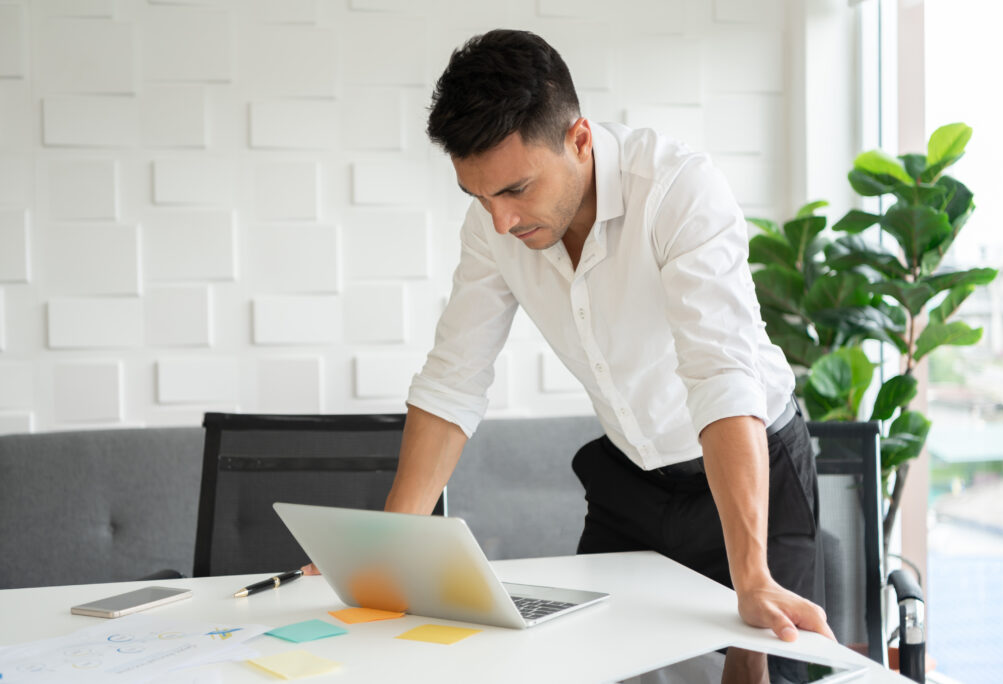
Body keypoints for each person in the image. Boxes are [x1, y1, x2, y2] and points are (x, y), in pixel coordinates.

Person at [322, 28, 834, 644]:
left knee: (766, 665)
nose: (501, 221)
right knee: (590, 660)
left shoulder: (677, 191)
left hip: (755, 474)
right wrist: (386, 556)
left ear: (580, 140)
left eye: (515, 189)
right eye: (478, 196)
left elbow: (721, 378)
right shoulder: (493, 224)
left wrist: (750, 576)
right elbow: (453, 378)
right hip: (632, 481)